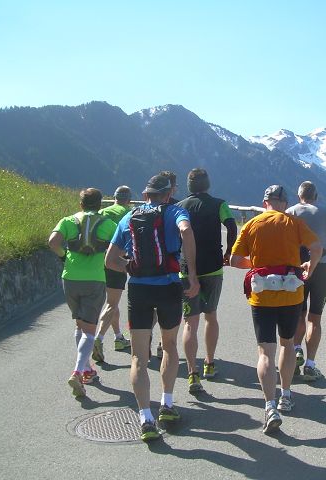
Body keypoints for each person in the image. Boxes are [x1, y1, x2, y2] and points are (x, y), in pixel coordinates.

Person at [105, 174, 199, 442]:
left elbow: (110, 260)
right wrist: (192, 274)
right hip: (169, 286)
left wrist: (131, 266)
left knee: (138, 357)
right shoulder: (175, 212)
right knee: (169, 346)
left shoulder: (129, 217)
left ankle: (145, 418)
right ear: (168, 194)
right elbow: (186, 231)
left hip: (139, 290)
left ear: (145, 195)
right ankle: (167, 404)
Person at [230, 185, 322, 434]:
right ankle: (286, 395)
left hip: (262, 296)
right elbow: (316, 247)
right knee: (288, 344)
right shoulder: (294, 223)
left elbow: (235, 260)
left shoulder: (251, 225)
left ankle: (270, 406)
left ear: (265, 202)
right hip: (291, 294)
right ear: (285, 204)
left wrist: (258, 264)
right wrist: (309, 268)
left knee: (265, 352)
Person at [48, 188, 117, 398]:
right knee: (89, 329)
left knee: (79, 324)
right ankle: (78, 372)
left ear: (80, 204)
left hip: (70, 278)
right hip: (94, 279)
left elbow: (53, 242)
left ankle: (87, 369)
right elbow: (120, 247)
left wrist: (64, 256)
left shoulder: (68, 221)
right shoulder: (108, 224)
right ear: (100, 205)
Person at [177, 168, 237, 393]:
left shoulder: (179, 206)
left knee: (190, 323)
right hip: (213, 267)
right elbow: (231, 226)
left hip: (186, 270)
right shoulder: (220, 204)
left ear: (189, 185)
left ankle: (192, 373)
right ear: (208, 184)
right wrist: (229, 251)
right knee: (211, 316)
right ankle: (209, 363)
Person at [286, 181, 326, 381]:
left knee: (297, 314)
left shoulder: (291, 212)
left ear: (298, 196)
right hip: (321, 267)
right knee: (315, 318)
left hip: (297, 267)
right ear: (316, 196)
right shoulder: (325, 211)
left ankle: (295, 353)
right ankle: (310, 365)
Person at [91, 186, 133, 363]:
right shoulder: (128, 213)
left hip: (98, 262)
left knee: (111, 301)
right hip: (116, 261)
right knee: (111, 304)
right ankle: (98, 338)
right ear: (129, 199)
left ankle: (118, 337)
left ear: (114, 197)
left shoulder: (102, 212)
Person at [152, 170, 179, 360]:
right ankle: (163, 345)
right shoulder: (177, 208)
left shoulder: (142, 210)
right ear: (173, 188)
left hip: (146, 267)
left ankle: (144, 339)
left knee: (151, 309)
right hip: (170, 267)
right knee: (167, 311)